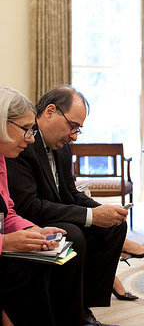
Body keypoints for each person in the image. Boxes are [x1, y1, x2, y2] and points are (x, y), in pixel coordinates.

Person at [5, 85, 128, 325]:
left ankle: (83, 307)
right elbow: (28, 206)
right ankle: (71, 316)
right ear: (50, 111)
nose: (74, 135)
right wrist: (90, 216)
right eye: (73, 126)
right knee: (73, 234)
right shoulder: (22, 144)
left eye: (78, 129)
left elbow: (70, 192)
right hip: (32, 218)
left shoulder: (62, 148)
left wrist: (101, 210)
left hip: (54, 214)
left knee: (114, 227)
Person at [0, 86, 83, 325]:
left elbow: (8, 212)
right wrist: (6, 241)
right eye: (26, 130)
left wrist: (31, 230)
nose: (31, 138)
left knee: (48, 258)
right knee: (27, 271)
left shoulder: (2, 160)